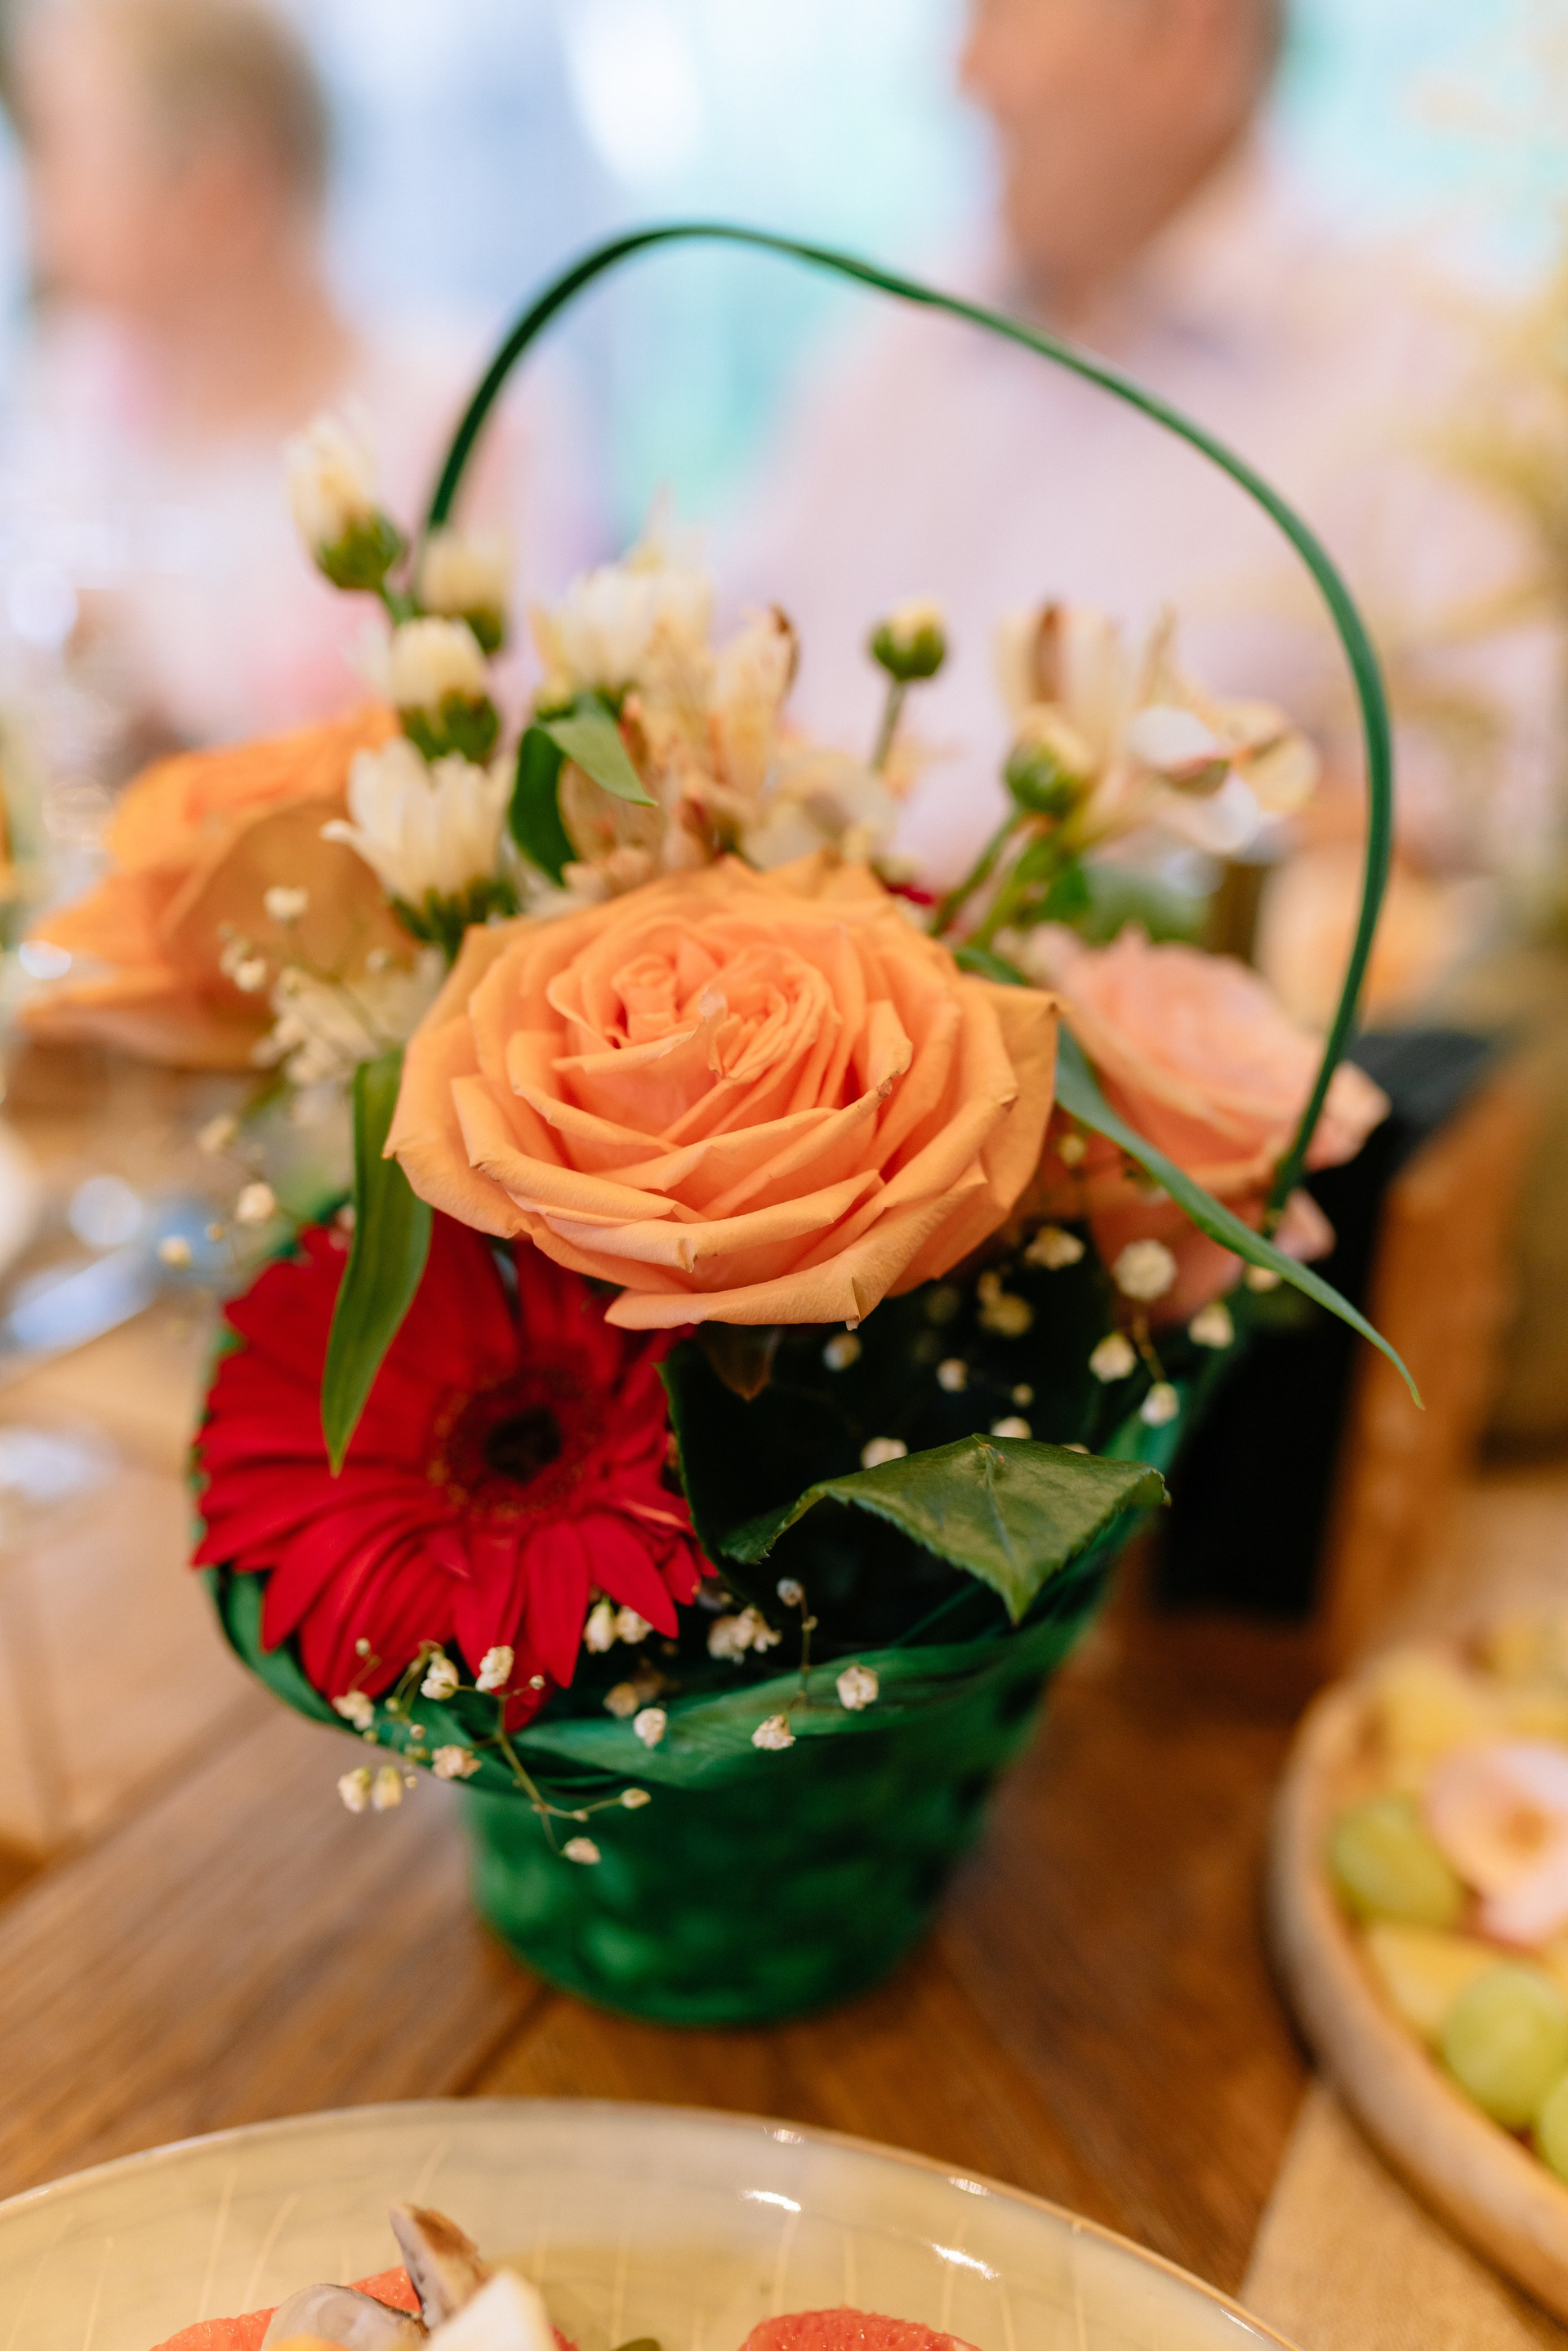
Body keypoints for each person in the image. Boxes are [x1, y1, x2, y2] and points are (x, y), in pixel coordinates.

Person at [731, 0, 1558, 923]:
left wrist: (1082, 890)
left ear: (1189, 34)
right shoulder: (897, 343)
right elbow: (735, 682)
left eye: (1001, 16)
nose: (964, 76)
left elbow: (1484, 831)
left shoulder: (1434, 372)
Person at [0, 0, 604, 769]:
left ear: (222, 188)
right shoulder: (74, 390)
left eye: (57, 152)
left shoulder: (470, 409)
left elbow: (523, 744)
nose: (37, 204)